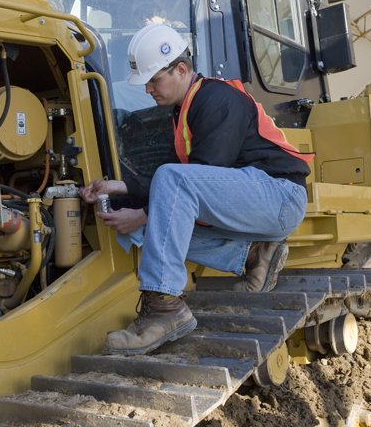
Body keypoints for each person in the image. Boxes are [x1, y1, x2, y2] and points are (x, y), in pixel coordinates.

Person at [80, 23, 312, 356]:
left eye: (153, 80)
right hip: (251, 202)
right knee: (138, 232)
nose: (148, 90)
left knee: (162, 199)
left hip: (279, 195)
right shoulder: (184, 111)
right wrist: (120, 187)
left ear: (182, 69)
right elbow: (185, 185)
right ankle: (254, 254)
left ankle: (164, 308)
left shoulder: (216, 99)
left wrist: (145, 213)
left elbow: (195, 178)